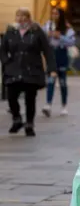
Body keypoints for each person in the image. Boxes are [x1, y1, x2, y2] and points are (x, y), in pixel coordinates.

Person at [0, 8, 56, 136]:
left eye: (23, 16)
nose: (20, 18)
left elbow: (47, 51)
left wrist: (52, 69)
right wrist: (6, 61)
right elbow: (2, 49)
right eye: (18, 15)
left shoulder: (36, 31)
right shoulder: (11, 31)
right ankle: (17, 119)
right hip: (14, 69)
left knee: (30, 99)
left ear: (29, 17)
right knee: (11, 96)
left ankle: (29, 124)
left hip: (31, 70)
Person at [42, 7, 76, 117]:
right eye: (52, 13)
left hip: (62, 54)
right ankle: (48, 104)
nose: (54, 15)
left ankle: (64, 105)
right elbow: (41, 38)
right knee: (51, 80)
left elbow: (71, 42)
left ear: (61, 15)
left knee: (62, 82)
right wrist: (47, 36)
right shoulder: (48, 25)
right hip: (51, 54)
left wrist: (60, 36)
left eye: (56, 14)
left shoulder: (67, 27)